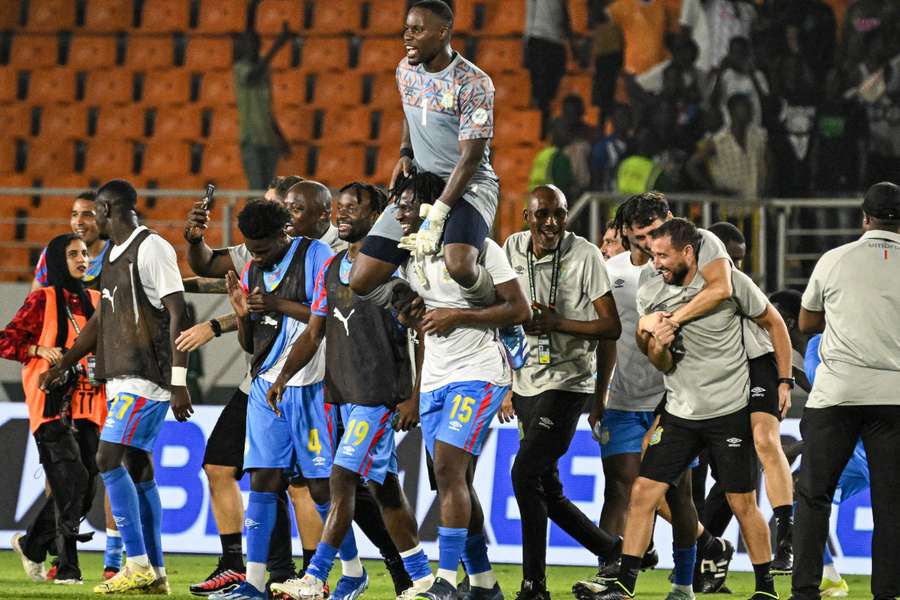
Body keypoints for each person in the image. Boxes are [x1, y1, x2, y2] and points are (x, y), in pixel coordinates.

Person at [586, 218, 784, 600]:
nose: (655, 262)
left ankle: (766, 588)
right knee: (643, 492)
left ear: (688, 253)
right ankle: (625, 585)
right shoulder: (651, 290)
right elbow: (660, 363)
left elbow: (767, 319)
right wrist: (657, 341)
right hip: (679, 412)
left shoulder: (729, 284)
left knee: (743, 503)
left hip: (728, 409)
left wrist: (782, 380)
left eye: (662, 255)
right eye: (652, 254)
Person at [268, 182, 433, 600]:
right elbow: (313, 332)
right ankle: (423, 578)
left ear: (377, 216)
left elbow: (423, 334)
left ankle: (316, 577)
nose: (341, 216)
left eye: (352, 209)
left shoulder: (395, 271)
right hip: (338, 395)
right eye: (338, 209)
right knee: (384, 489)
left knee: (341, 477)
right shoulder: (331, 268)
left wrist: (414, 395)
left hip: (377, 397)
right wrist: (283, 377)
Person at [41, 179, 193, 595]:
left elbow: (178, 313)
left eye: (94, 213)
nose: (90, 222)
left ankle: (137, 564)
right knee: (138, 468)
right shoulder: (112, 256)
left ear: (109, 210)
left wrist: (180, 381)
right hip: (123, 374)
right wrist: (65, 364)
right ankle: (156, 574)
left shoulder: (152, 248)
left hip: (147, 376)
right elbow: (100, 321)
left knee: (107, 459)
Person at [393, 169, 531, 600]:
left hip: (478, 373)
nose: (401, 210)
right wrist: (408, 313)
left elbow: (520, 309)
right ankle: (486, 584)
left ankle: (447, 581)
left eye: (409, 202)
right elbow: (416, 313)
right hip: (435, 376)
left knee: (448, 468)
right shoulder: (409, 256)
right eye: (398, 202)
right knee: (453, 479)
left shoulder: (480, 249)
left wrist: (460, 316)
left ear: (434, 208)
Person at [207, 200, 341, 600]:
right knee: (263, 480)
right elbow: (252, 344)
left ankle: (337, 575)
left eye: (263, 248)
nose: (257, 256)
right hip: (266, 386)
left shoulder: (318, 254)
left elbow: (330, 316)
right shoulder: (252, 268)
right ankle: (253, 582)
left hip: (312, 383)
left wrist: (279, 304)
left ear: (286, 231)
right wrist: (243, 315)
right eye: (251, 248)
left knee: (319, 486)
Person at [499, 185, 622, 599]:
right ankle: (612, 550)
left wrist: (559, 323)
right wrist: (505, 383)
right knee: (546, 491)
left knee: (523, 472)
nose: (550, 223)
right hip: (525, 382)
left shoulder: (585, 255)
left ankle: (534, 585)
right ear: (526, 218)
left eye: (558, 214)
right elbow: (502, 313)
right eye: (542, 215)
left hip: (569, 381)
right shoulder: (510, 248)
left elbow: (611, 327)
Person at [350, 0, 502, 319]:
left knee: (459, 265)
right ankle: (413, 295)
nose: (408, 36)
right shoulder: (405, 70)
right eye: (406, 28)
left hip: (469, 187)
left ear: (443, 32)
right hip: (420, 185)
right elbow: (410, 111)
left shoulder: (473, 83)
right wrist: (406, 152)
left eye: (417, 30)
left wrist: (438, 214)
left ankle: (501, 308)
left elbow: (471, 158)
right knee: (361, 279)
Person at [792, 182, 900, 600]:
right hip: (894, 396)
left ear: (864, 217)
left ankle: (805, 591)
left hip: (837, 394)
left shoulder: (834, 259)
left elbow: (806, 323)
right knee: (890, 505)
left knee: (814, 494)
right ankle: (887, 593)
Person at [4, 234, 105, 585]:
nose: (83, 258)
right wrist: (36, 350)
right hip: (49, 406)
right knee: (71, 479)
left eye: (85, 252)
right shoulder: (41, 299)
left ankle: (32, 544)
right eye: (73, 253)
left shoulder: (96, 300)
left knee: (87, 484)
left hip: (90, 403)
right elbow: (6, 340)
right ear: (59, 261)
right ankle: (67, 568)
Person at [702, 222, 796, 573]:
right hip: (717, 381)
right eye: (732, 258)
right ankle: (703, 552)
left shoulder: (740, 285)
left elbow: (777, 327)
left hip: (759, 366)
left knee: (765, 441)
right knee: (725, 477)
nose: (737, 267)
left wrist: (785, 381)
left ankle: (786, 538)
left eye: (741, 259)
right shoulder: (686, 287)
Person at [234, 24, 292, 190]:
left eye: (255, 42)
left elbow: (266, 110)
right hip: (251, 140)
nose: (252, 46)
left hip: (269, 140)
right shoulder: (240, 69)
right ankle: (253, 217)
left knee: (267, 191)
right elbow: (252, 77)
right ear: (243, 46)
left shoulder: (264, 70)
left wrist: (280, 137)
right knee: (256, 189)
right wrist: (276, 47)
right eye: (248, 43)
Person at [687, 93, 769, 199]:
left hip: (755, 203)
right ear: (732, 111)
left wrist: (766, 188)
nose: (750, 111)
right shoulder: (718, 141)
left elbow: (770, 163)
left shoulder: (758, 137)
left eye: (750, 107)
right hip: (728, 207)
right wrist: (713, 189)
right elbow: (692, 165)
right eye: (745, 107)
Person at [32, 191, 110, 291]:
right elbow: (34, 300)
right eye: (75, 214)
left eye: (87, 215)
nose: (78, 222)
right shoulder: (54, 253)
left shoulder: (117, 254)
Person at [524, 0, 575, 117]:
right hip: (539, 38)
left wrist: (571, 43)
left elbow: (565, 16)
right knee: (540, 88)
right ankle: (539, 123)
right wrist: (527, 41)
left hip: (557, 41)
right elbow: (530, 13)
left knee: (553, 88)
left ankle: (545, 118)